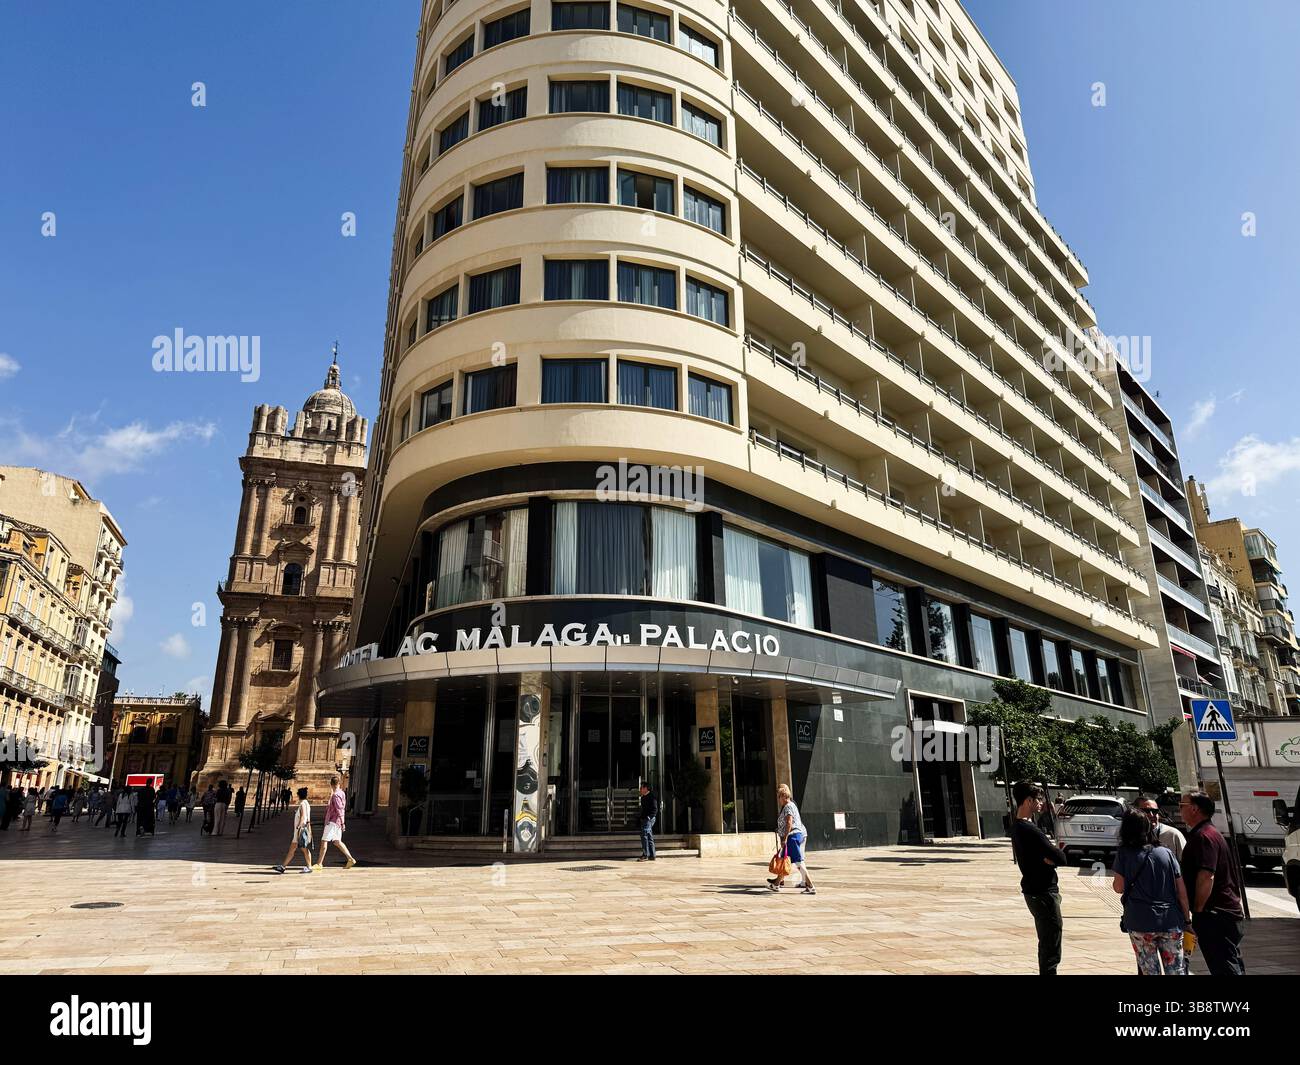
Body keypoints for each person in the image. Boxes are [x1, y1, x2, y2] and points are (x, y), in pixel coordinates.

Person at [1112, 809, 1190, 975]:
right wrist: (1187, 920)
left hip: (1139, 921)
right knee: (1176, 970)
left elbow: (1118, 887)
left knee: (1149, 971)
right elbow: (1181, 891)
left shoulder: (1124, 854)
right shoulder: (1166, 853)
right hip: (1170, 920)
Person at [1179, 790, 1245, 975]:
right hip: (1224, 913)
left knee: (1224, 967)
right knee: (1231, 963)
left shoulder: (1203, 836)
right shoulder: (1210, 833)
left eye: (1182, 805)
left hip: (1215, 914)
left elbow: (1207, 876)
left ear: (1194, 809)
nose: (1179, 810)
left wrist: (1199, 910)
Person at [1010, 780, 1067, 975]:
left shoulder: (1017, 827)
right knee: (1051, 942)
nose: (1041, 803)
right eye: (1038, 799)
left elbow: (1050, 856)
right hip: (1043, 892)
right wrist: (1050, 856)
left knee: (1046, 940)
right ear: (1028, 801)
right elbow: (1060, 857)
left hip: (1032, 890)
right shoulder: (1030, 830)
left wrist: (1048, 857)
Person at [768, 783, 815, 894]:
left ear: (784, 796)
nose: (778, 799)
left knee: (799, 863)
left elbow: (789, 822)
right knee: (785, 860)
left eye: (779, 796)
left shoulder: (788, 806)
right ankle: (776, 884)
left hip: (792, 836)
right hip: (794, 836)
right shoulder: (791, 805)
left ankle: (811, 886)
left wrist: (784, 837)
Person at [314, 776, 357, 869]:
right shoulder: (342, 793)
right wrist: (342, 822)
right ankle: (350, 859)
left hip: (332, 821)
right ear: (339, 783)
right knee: (337, 842)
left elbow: (339, 809)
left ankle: (319, 863)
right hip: (337, 822)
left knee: (324, 841)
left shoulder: (335, 795)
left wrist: (342, 822)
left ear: (331, 784)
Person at [275, 787, 315, 874]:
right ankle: (283, 866)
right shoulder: (306, 803)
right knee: (293, 849)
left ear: (298, 795)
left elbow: (303, 816)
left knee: (303, 849)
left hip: (300, 830)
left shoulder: (302, 804)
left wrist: (299, 827)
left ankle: (309, 867)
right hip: (302, 829)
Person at [1136, 797, 1185, 861]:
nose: (1151, 815)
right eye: (1146, 811)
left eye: (1155, 811)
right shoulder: (1129, 836)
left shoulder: (1173, 834)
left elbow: (1187, 862)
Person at [637, 782, 658, 862]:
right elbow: (644, 810)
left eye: (641, 788)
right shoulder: (643, 798)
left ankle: (646, 854)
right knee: (649, 836)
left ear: (646, 788)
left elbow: (655, 809)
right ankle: (652, 855)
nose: (640, 790)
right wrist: (641, 818)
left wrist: (648, 818)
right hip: (645, 819)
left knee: (644, 835)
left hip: (649, 819)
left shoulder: (652, 797)